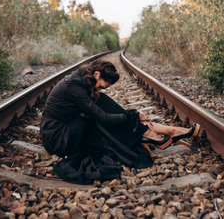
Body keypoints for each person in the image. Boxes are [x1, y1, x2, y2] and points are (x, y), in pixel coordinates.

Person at [40, 59, 200, 184]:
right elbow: (103, 118)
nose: (100, 88)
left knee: (100, 100)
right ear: (96, 74)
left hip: (70, 127)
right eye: (102, 85)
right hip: (57, 138)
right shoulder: (74, 87)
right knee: (101, 113)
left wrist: (132, 116)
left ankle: (152, 132)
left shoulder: (84, 79)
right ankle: (158, 132)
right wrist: (134, 116)